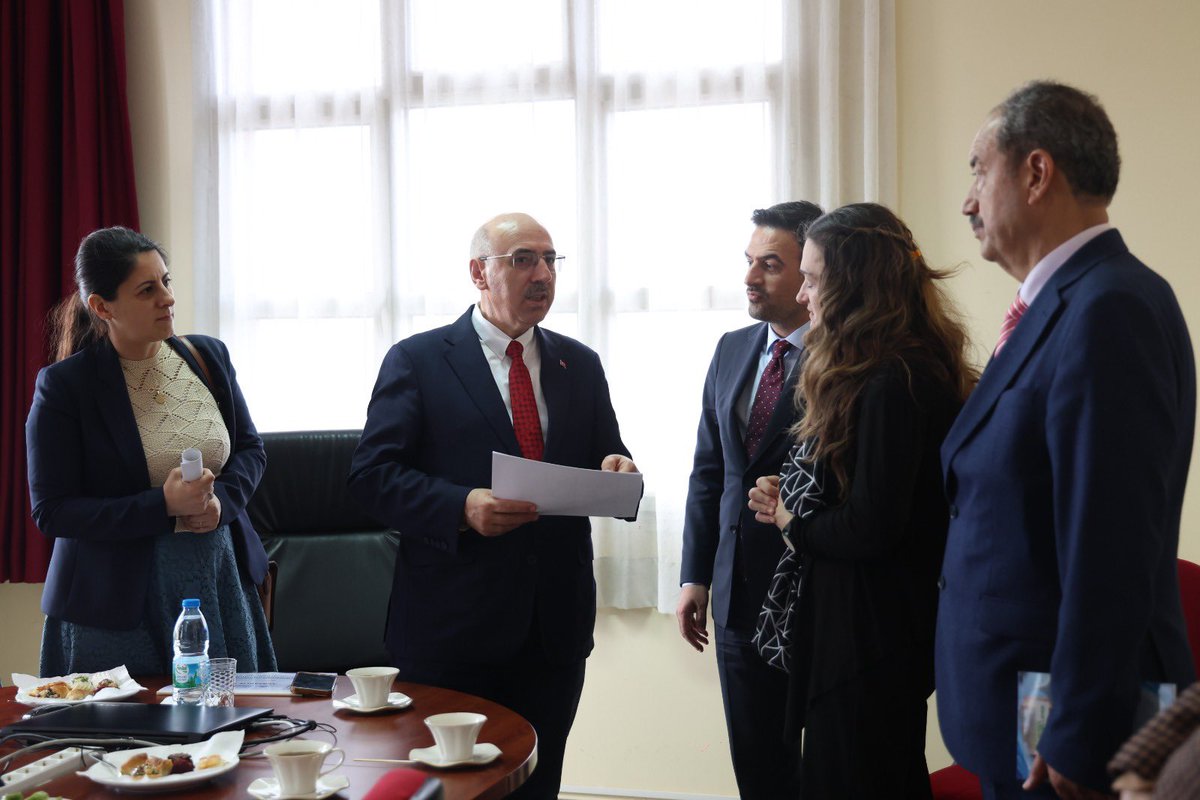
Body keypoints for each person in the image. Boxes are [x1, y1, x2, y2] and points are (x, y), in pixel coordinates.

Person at [935, 80, 1197, 800]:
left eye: (978, 170)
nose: (967, 201)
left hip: (1057, 723)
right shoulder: (1066, 301)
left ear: (1037, 172)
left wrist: (1080, 731)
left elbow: (1109, 545)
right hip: (1020, 703)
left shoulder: (1108, 307)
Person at [347, 212, 637, 800]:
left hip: (553, 627)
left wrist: (617, 467)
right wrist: (460, 506)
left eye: (551, 260)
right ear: (480, 272)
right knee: (455, 791)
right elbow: (371, 478)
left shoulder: (578, 364)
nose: (543, 275)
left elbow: (608, 453)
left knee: (539, 785)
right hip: (454, 629)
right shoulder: (419, 360)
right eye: (524, 259)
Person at [748, 202, 976, 797]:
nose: (804, 294)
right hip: (870, 628)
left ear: (855, 284)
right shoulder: (895, 364)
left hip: (868, 635)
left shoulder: (891, 378)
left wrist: (792, 522)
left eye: (815, 278)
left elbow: (872, 524)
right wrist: (795, 490)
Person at [25, 226, 276, 675]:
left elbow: (251, 450)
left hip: (217, 581)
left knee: (232, 735)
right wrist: (162, 504)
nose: (166, 298)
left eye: (166, 281)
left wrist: (222, 502)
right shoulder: (65, 387)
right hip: (115, 604)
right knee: (126, 741)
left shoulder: (208, 357)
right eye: (147, 289)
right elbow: (53, 511)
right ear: (102, 307)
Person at [676, 200, 822, 798]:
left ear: (812, 269)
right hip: (736, 598)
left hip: (815, 590)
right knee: (760, 769)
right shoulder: (731, 349)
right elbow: (709, 473)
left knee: (834, 768)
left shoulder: (847, 354)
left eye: (770, 264)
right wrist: (694, 576)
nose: (750, 278)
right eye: (748, 262)